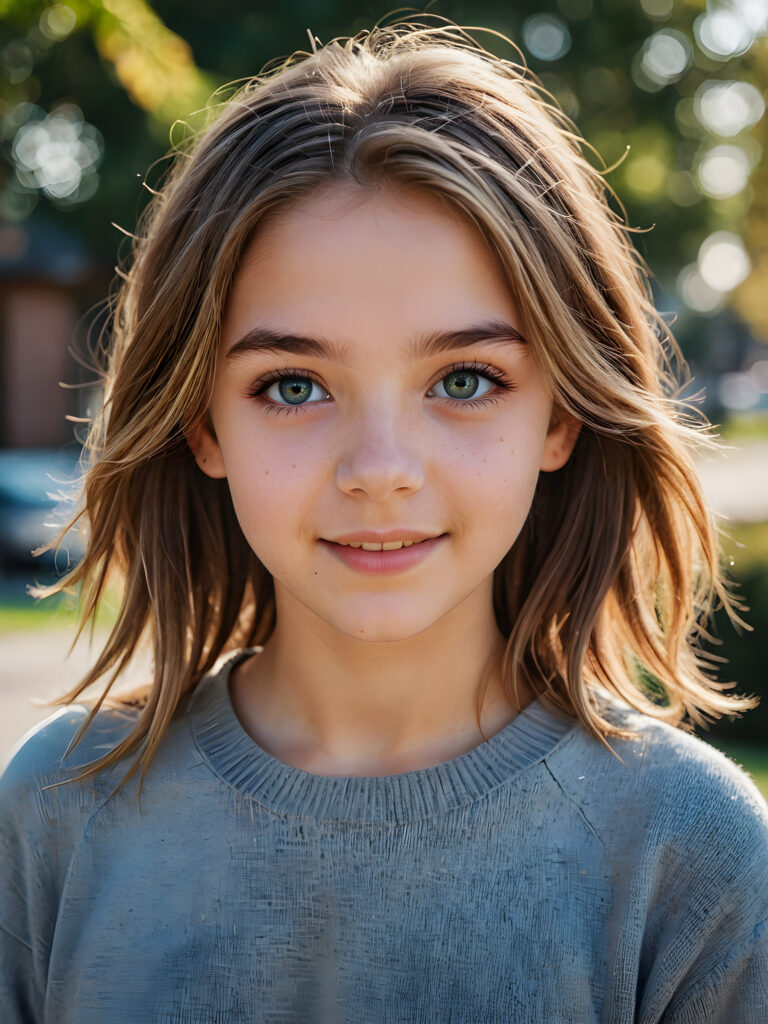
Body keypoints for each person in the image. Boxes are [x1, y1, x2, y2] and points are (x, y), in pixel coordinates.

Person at [1, 18, 766, 1024]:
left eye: (464, 378)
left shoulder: (690, 849)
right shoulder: (56, 814)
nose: (380, 472)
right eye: (291, 386)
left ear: (563, 414)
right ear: (201, 424)